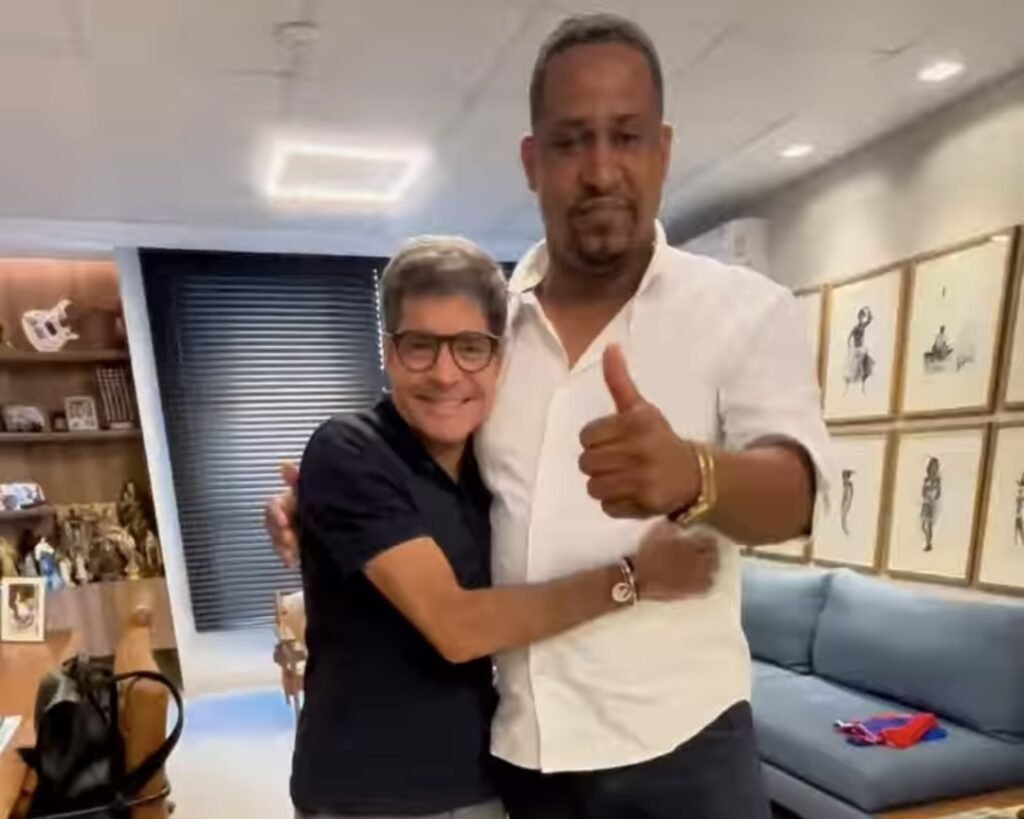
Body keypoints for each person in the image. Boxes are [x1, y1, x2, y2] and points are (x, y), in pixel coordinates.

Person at [268, 14, 830, 819]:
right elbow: (435, 488)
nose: (600, 169)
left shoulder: (744, 310)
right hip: (523, 757)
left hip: (683, 750)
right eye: (571, 141)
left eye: (626, 136)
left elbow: (798, 495)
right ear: (533, 161)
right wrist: (318, 515)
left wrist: (697, 474)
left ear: (663, 149)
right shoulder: (493, 334)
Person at [291, 236, 718, 819]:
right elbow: (457, 627)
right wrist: (635, 579)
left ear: (499, 360)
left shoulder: (489, 469)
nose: (445, 374)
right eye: (420, 346)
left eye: (470, 348)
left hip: (480, 778)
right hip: (366, 794)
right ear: (389, 353)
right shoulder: (350, 449)